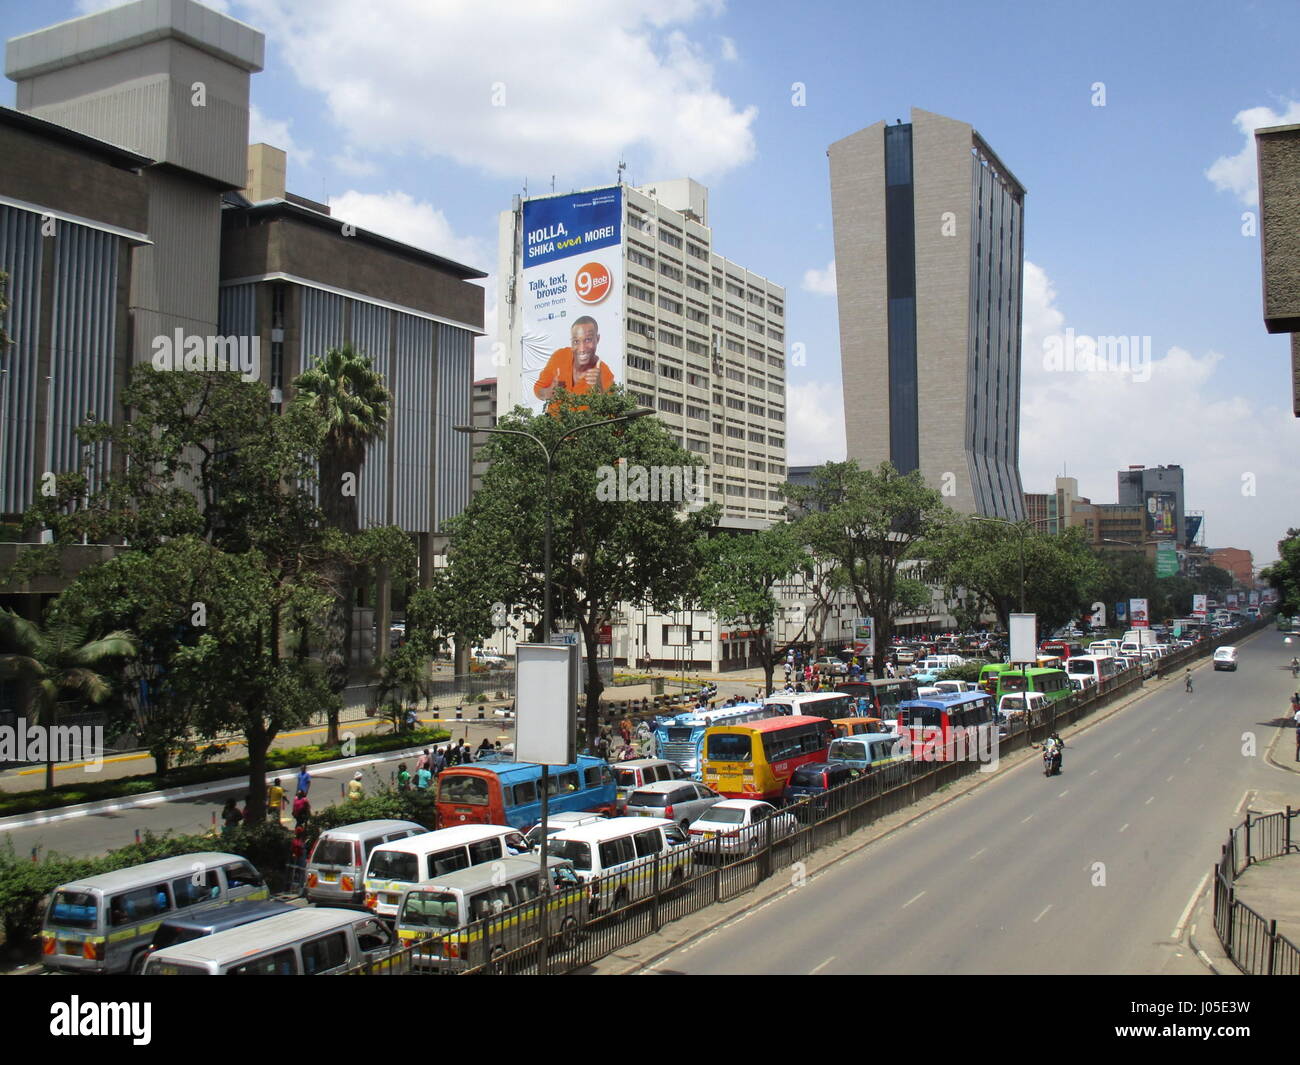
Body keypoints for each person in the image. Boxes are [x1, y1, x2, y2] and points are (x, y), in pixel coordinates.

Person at [533, 316, 614, 403]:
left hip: (585, 417)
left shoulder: (605, 373)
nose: (582, 349)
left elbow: (611, 412)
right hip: (553, 416)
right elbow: (538, 388)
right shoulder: (560, 356)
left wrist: (600, 389)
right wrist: (547, 392)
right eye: (576, 341)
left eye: (587, 340)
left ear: (597, 339)